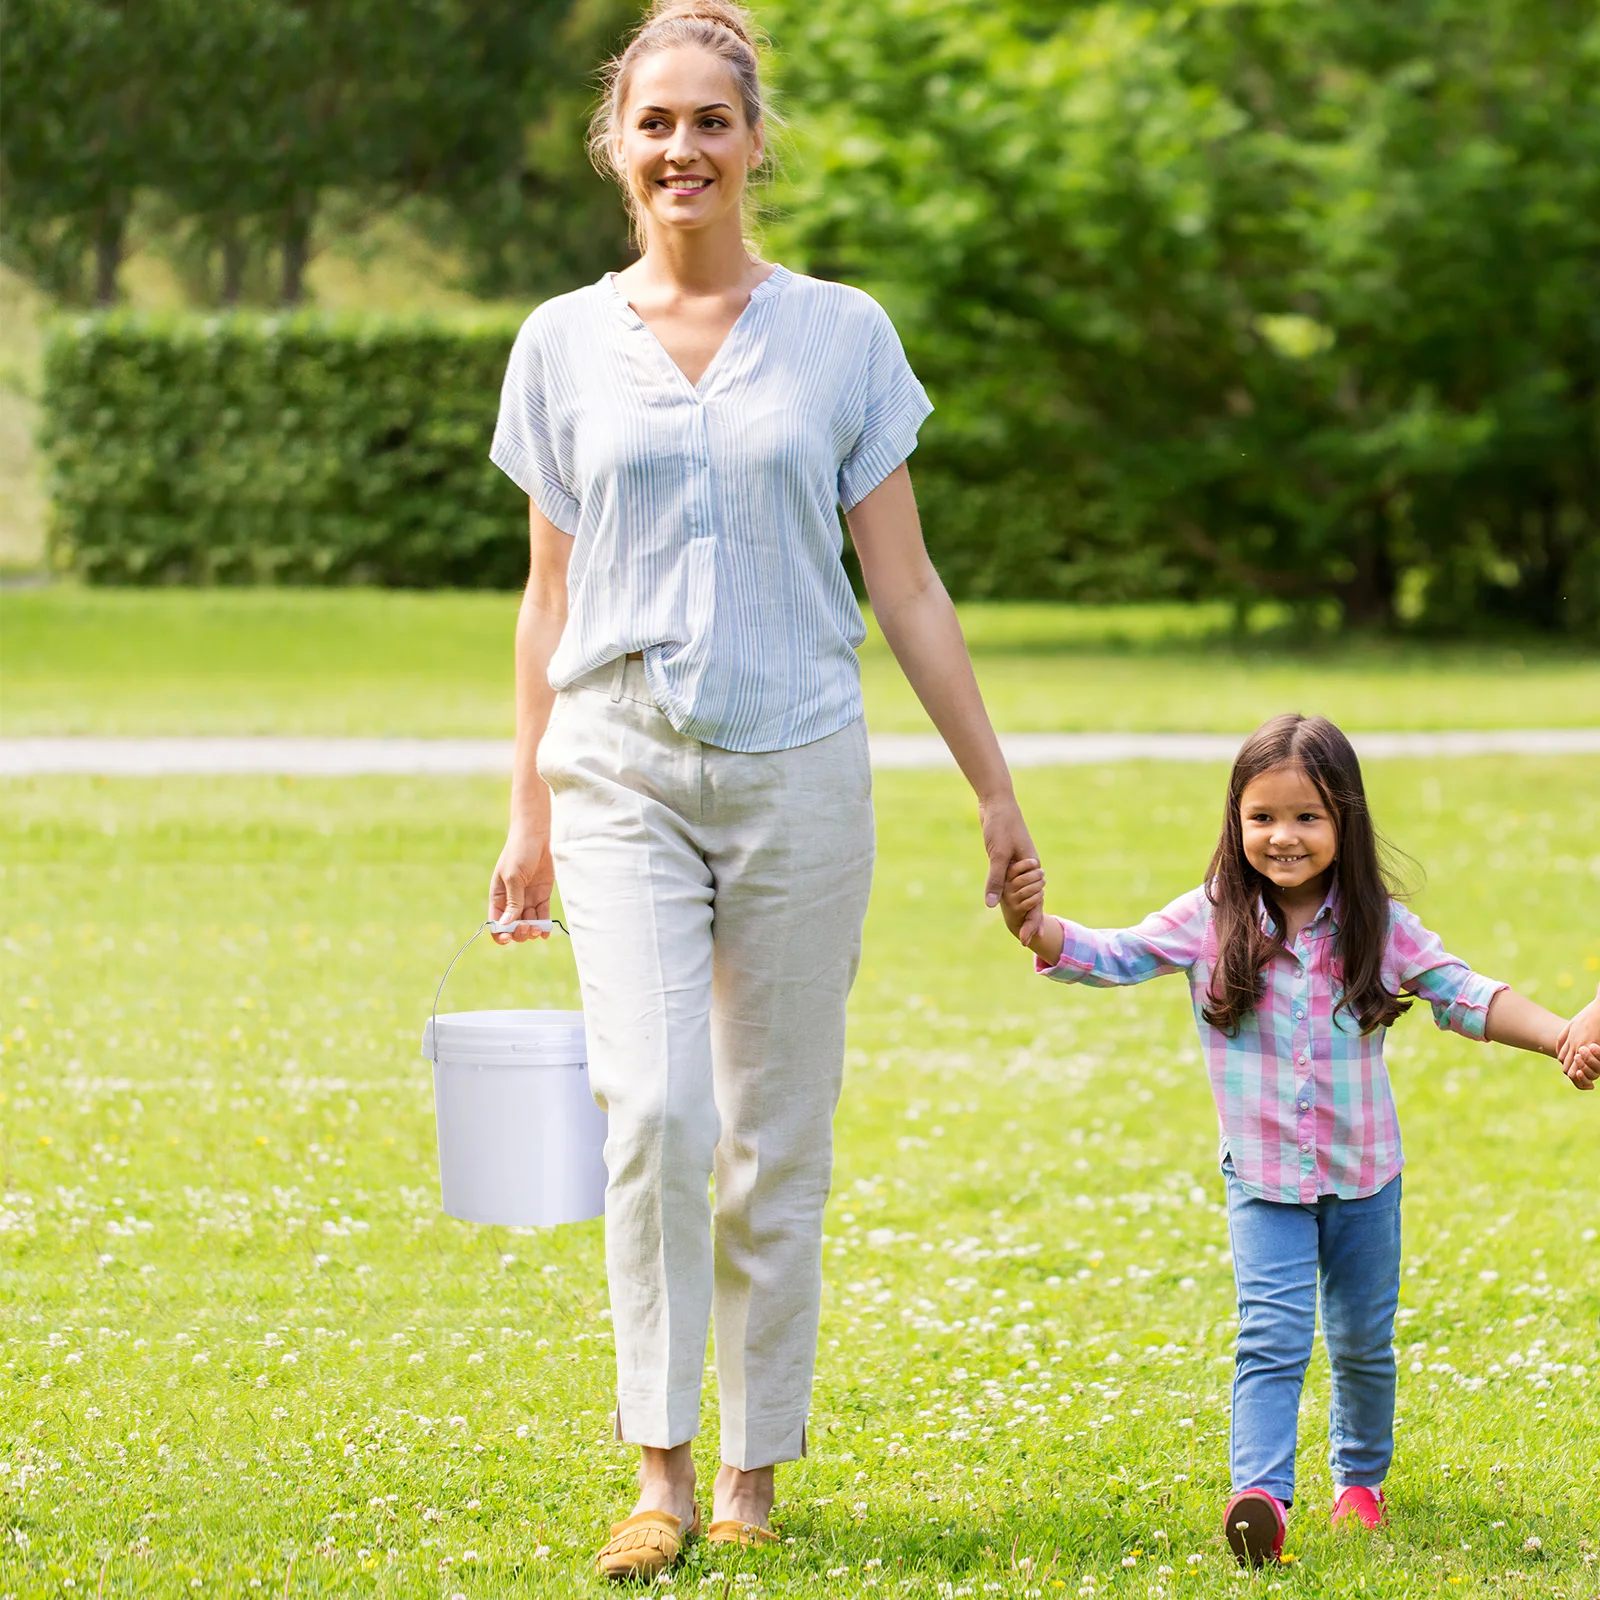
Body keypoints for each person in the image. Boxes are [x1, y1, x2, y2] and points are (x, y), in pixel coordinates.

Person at [485, 0, 1043, 1579]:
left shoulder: (843, 336)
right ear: (616, 145)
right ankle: (656, 1472)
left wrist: (994, 791)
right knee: (657, 1109)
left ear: (753, 142)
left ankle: (750, 1471)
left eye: (710, 122)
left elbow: (907, 585)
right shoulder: (560, 344)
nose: (683, 149)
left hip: (801, 765)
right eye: (654, 122)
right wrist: (527, 809)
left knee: (773, 1140)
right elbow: (546, 597)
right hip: (618, 766)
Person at [998, 713, 1600, 1569]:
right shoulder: (1210, 918)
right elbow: (1118, 954)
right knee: (1271, 1337)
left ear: (1344, 821)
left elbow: (1464, 993)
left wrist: (1561, 1037)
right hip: (1264, 1181)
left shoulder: (1378, 926)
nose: (1283, 836)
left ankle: (1358, 1483)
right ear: (1236, 821)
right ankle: (1262, 1500)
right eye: (1263, 817)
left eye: (1307, 817)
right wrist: (1039, 931)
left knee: (1361, 1344)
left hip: (1365, 1179)